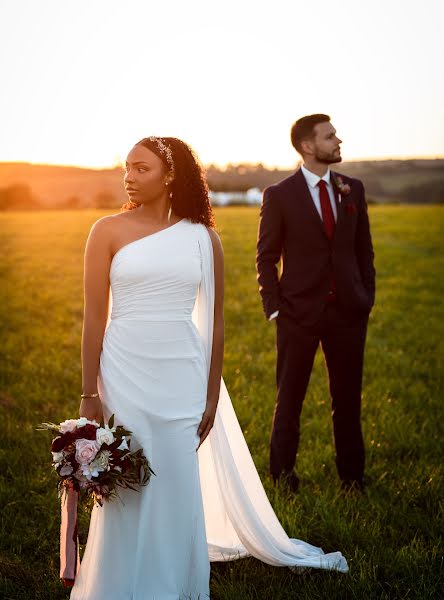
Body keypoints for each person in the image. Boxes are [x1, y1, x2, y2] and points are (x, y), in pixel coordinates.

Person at [71, 135, 348, 600]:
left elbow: (215, 321)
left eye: (141, 168)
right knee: (128, 474)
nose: (129, 176)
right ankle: (117, 583)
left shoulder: (205, 239)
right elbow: (93, 317)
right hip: (124, 368)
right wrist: (88, 392)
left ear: (171, 175)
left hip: (183, 369)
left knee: (176, 478)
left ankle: (175, 584)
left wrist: (212, 391)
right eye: (127, 167)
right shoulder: (106, 231)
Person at [256, 114, 376, 494]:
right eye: (330, 136)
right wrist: (274, 306)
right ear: (308, 146)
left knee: (347, 400)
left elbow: (363, 251)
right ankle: (283, 476)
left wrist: (365, 298)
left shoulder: (351, 189)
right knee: (289, 398)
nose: (338, 140)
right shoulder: (280, 195)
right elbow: (266, 256)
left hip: (348, 313)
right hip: (298, 314)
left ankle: (353, 479)